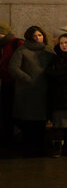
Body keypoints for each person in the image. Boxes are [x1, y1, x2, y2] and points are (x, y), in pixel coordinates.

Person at [9, 25, 52, 156]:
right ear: (29, 37)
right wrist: (28, 79)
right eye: (35, 36)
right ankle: (28, 149)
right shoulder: (22, 50)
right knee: (28, 123)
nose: (38, 38)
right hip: (27, 92)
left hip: (44, 90)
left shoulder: (48, 50)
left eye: (40, 35)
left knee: (41, 122)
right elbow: (13, 68)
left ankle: (40, 148)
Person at [0, 23, 21, 152]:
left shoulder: (15, 43)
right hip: (5, 81)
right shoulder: (2, 45)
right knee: (5, 112)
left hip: (15, 82)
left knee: (12, 111)